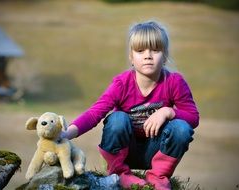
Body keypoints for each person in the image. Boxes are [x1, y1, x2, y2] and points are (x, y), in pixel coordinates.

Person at [61, 20, 199, 190]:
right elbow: (94, 113)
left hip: (156, 151)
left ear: (164, 55)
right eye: (140, 51)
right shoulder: (122, 84)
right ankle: (119, 173)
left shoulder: (174, 82)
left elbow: (193, 117)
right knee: (117, 119)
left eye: (155, 50)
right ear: (131, 57)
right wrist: (67, 134)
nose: (148, 55)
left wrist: (168, 111)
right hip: (124, 151)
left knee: (181, 128)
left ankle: (158, 176)